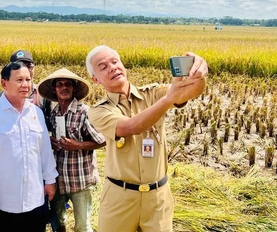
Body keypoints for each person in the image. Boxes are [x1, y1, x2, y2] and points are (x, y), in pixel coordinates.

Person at [85, 45, 208, 232]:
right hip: (119, 198)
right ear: (96, 80)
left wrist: (199, 75)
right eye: (103, 67)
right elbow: (130, 127)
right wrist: (167, 100)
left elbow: (190, 92)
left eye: (115, 61)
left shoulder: (152, 93)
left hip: (157, 197)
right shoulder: (99, 110)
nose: (112, 68)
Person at [0, 61, 58, 232]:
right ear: (4, 83)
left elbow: (44, 152)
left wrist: (50, 180)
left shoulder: (36, 113)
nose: (25, 85)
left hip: (35, 199)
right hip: (1, 201)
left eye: (28, 80)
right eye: (19, 80)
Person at [37, 68, 106, 232]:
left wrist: (78, 145)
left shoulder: (84, 112)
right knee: (59, 221)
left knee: (82, 226)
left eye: (68, 84)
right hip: (59, 178)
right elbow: (55, 140)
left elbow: (103, 140)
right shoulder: (54, 114)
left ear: (74, 88)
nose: (64, 87)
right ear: (55, 89)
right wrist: (52, 142)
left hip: (80, 179)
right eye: (59, 84)